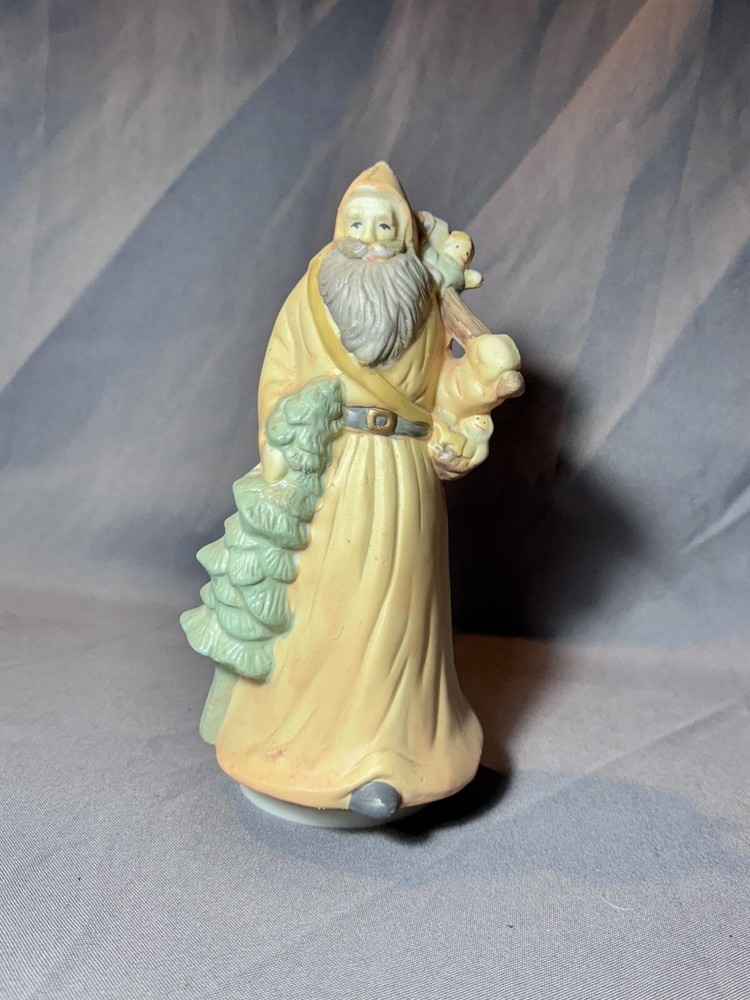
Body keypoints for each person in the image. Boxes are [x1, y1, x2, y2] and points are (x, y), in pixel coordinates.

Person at [183, 162, 521, 821]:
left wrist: (478, 389)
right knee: (315, 611)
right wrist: (286, 441)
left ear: (405, 235)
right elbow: (278, 377)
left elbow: (442, 392)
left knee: (393, 615)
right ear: (340, 226)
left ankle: (389, 758)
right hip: (326, 470)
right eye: (357, 224)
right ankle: (288, 749)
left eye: (384, 226)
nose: (369, 238)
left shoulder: (425, 298)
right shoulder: (311, 294)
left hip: (401, 477)